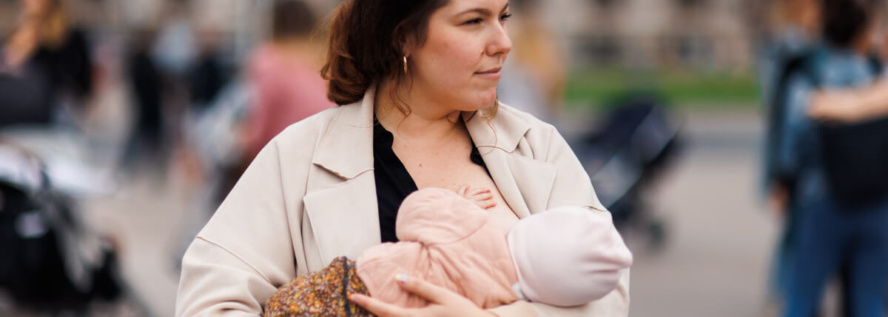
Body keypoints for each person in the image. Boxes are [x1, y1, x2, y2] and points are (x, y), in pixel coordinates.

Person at [176, 0, 630, 316]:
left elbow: (608, 294)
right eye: (474, 21)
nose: (504, 42)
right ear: (403, 38)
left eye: (503, 17)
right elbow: (209, 301)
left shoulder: (538, 146)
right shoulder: (297, 156)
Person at [263, 187, 632, 316]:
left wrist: (457, 201)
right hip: (370, 308)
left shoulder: (475, 226)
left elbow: (412, 212)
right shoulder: (500, 300)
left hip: (355, 283)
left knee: (285, 305)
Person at [777, 0, 888, 315]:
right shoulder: (876, 77)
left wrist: (784, 181)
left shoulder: (808, 79)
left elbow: (792, 142)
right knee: (869, 301)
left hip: (823, 196)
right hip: (876, 201)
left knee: (802, 297)